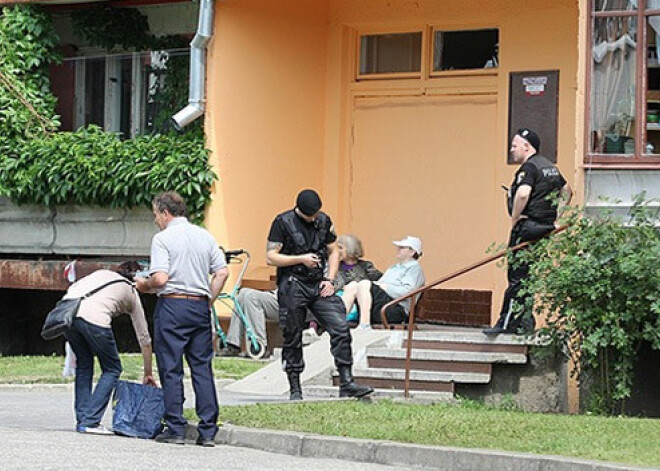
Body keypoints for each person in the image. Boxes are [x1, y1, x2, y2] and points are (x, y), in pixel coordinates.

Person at [135, 191, 228, 447]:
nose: (155, 220)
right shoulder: (205, 236)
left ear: (165, 213)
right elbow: (222, 272)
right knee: (201, 367)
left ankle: (175, 427)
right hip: (199, 306)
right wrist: (208, 299)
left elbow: (161, 279)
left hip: (173, 305)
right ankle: (208, 430)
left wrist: (145, 284)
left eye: (156, 215)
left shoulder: (163, 239)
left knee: (171, 367)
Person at [266, 189, 374, 400]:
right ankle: (295, 387)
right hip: (293, 283)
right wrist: (301, 259)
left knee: (341, 327)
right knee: (293, 335)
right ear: (300, 210)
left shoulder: (324, 221)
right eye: (310, 215)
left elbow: (333, 250)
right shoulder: (283, 222)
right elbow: (271, 257)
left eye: (316, 213)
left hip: (318, 283)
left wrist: (330, 279)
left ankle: (346, 382)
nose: (314, 218)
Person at [483, 128, 572, 335]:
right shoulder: (550, 167)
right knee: (528, 277)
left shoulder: (530, 168)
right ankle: (525, 322)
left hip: (527, 227)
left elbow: (523, 194)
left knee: (516, 277)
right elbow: (567, 190)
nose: (512, 150)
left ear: (527, 146)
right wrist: (557, 218)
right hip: (544, 229)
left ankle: (508, 324)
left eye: (515, 146)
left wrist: (515, 219)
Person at [64, 261, 156, 435]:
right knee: (112, 368)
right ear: (138, 278)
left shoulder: (101, 274)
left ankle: (83, 418)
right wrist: (148, 373)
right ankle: (90, 421)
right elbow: (144, 340)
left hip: (67, 315)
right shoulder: (130, 291)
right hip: (95, 319)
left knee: (84, 363)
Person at [341, 236, 425, 327]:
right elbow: (379, 285)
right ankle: (338, 322)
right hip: (382, 307)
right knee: (353, 285)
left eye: (402, 248)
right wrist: (380, 285)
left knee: (364, 283)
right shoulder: (395, 267)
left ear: (412, 252)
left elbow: (408, 292)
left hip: (396, 310)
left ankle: (364, 324)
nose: (398, 249)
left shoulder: (414, 269)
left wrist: (385, 287)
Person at [217, 287, 278, 357]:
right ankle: (233, 344)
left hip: (288, 302)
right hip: (278, 295)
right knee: (243, 293)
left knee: (252, 297)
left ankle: (258, 345)